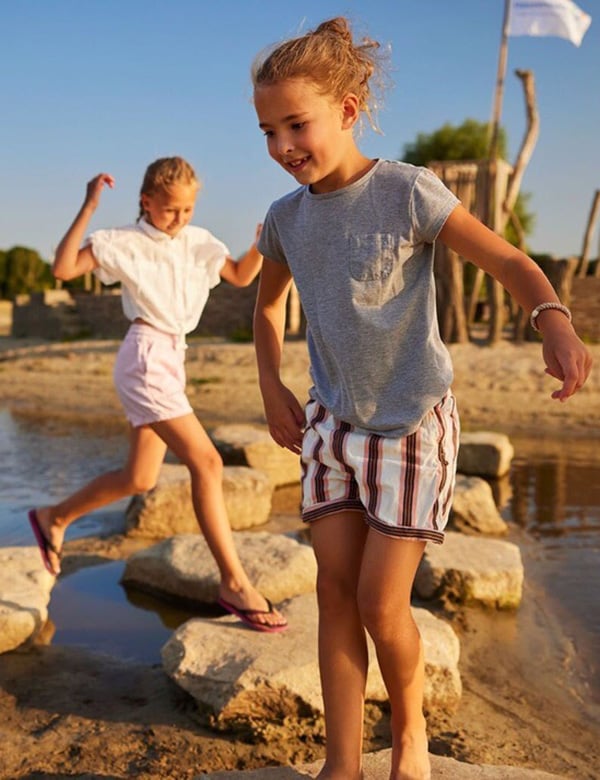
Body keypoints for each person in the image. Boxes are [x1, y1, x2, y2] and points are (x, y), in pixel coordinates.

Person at [250, 17, 592, 778]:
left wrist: (555, 323)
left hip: (411, 427)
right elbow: (266, 308)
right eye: (268, 131)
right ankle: (342, 763)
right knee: (333, 591)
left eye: (296, 124)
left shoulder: (407, 193)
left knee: (379, 603)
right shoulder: (285, 220)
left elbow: (509, 260)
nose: (282, 146)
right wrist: (270, 384)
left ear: (348, 106)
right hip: (331, 427)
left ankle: (410, 732)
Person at [28, 156, 287, 634]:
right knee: (207, 463)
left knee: (141, 477)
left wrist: (260, 243)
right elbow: (63, 268)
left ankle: (52, 518)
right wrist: (89, 205)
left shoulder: (198, 240)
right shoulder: (122, 241)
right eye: (170, 210)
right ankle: (234, 582)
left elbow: (238, 275)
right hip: (145, 357)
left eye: (187, 210)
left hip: (173, 358)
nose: (179, 219)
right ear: (146, 202)